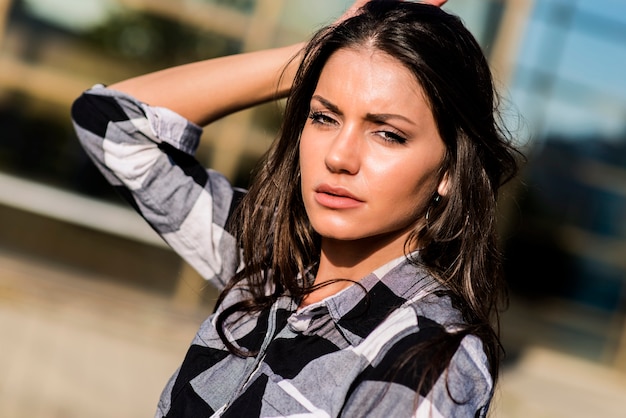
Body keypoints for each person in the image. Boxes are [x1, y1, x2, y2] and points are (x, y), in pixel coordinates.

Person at [71, 0, 522, 416]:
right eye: (324, 117)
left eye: (388, 134)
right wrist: (323, 48)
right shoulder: (271, 258)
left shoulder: (427, 356)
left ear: (449, 170)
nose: (339, 157)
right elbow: (110, 122)